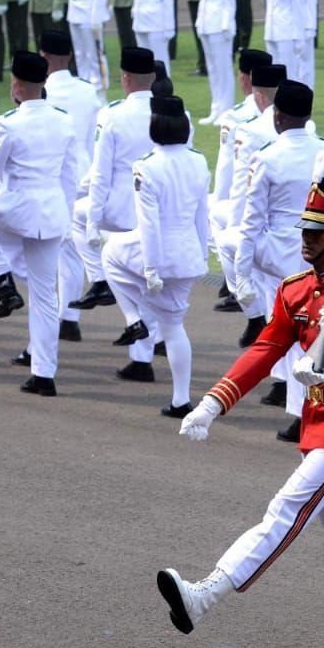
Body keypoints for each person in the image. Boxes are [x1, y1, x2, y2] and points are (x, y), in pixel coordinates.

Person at [157, 177, 324, 648]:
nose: (306, 238)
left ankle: (207, 592)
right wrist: (213, 402)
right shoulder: (296, 291)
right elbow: (264, 350)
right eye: (306, 229)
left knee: (286, 508)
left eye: (319, 231)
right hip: (317, 423)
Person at [234, 79, 324, 443]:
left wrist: (241, 273)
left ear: (277, 116)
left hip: (280, 257)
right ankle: (306, 406)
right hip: (322, 254)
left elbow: (251, 220)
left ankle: (301, 413)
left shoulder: (266, 156)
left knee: (294, 337)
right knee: (315, 336)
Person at [0, 50, 77, 397]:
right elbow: (69, 175)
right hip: (51, 213)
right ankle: (44, 375)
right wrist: (66, 218)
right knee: (45, 296)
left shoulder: (8, 124)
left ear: (16, 85)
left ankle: (1, 277)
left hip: (16, 210)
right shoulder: (63, 119)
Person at [101, 96, 210, 416]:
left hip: (159, 251)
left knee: (109, 254)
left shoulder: (147, 165)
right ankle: (180, 399)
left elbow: (148, 223)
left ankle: (134, 319)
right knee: (173, 325)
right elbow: (201, 214)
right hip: (188, 253)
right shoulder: (198, 159)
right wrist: (202, 254)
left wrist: (150, 268)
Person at [85, 47, 159, 382]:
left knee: (123, 276)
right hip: (156, 211)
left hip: (119, 210)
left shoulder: (112, 114)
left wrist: (92, 217)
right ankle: (143, 352)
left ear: (124, 78)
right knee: (149, 281)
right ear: (154, 78)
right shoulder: (171, 112)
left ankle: (140, 344)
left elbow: (100, 173)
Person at [37, 30, 105, 340]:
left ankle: (55, 316)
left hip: (51, 177)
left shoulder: (42, 91)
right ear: (71, 56)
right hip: (83, 175)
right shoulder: (87, 91)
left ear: (43, 56)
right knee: (72, 253)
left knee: (45, 252)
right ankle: (69, 318)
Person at [210, 47, 273, 312]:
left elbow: (228, 171)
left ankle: (234, 280)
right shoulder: (289, 113)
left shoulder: (235, 116)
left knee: (214, 213)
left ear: (244, 78)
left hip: (247, 201)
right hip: (278, 206)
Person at [195, 0, 236, 124]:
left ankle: (226, 109)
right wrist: (198, 21)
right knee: (212, 67)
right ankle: (216, 107)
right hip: (206, 22)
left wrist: (227, 24)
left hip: (220, 23)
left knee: (223, 67)